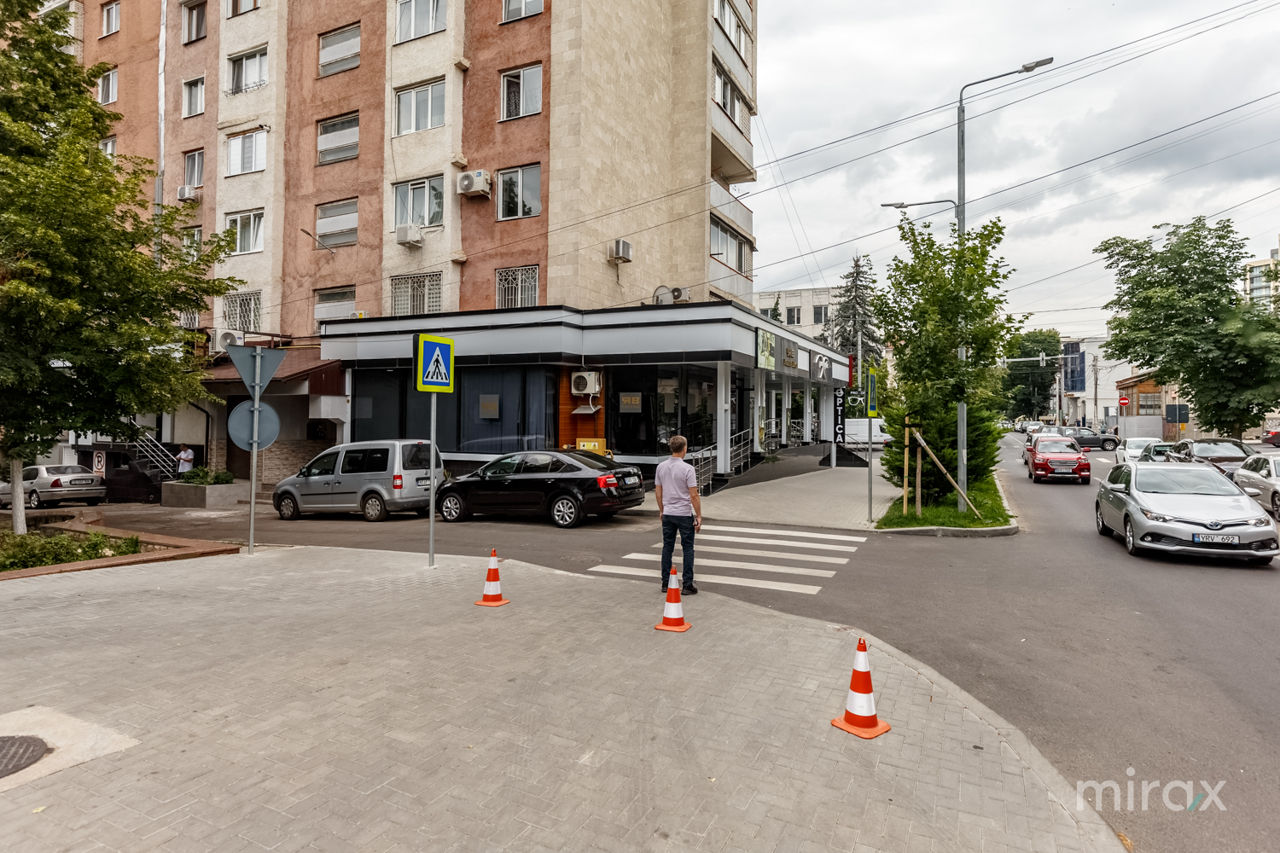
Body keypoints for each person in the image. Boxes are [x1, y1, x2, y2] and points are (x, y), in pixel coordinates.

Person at [654, 435, 702, 595]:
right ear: (684, 449)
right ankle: (687, 584)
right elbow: (694, 495)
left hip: (668, 513)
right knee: (688, 548)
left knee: (667, 547)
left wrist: (662, 510)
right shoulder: (688, 469)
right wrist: (699, 515)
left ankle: (665, 583)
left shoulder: (660, 467)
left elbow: (658, 493)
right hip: (683, 513)